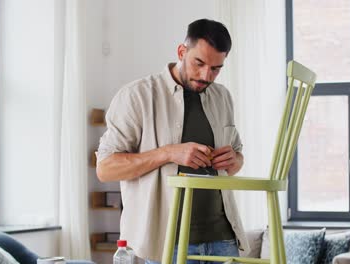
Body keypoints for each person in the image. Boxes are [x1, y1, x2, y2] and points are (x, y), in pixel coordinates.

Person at [96, 18, 249, 263]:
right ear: (181, 51)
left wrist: (234, 159)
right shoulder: (137, 96)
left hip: (223, 241)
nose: (206, 75)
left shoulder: (222, 97)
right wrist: (168, 153)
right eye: (199, 63)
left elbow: (238, 158)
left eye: (216, 68)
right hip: (167, 243)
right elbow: (105, 168)